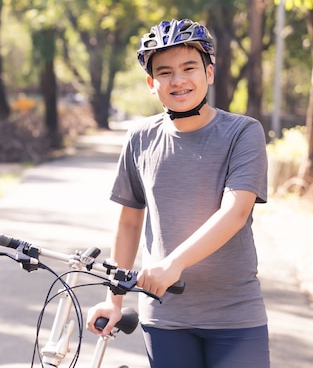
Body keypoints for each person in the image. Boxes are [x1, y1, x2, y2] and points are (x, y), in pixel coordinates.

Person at [86, 19, 270, 368]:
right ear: (151, 83)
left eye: (189, 68)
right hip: (164, 316)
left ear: (209, 72)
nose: (178, 80)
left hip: (235, 313)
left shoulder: (243, 132)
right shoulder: (140, 138)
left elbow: (235, 212)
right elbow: (129, 221)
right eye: (165, 72)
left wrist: (173, 265)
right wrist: (114, 299)